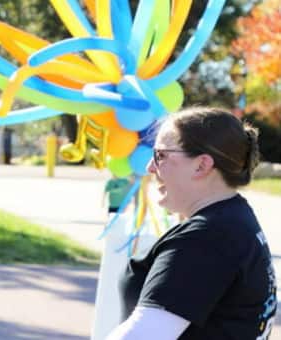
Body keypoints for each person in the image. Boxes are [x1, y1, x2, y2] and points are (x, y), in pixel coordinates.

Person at [108, 107, 276, 339]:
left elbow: (143, 335)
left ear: (201, 165)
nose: (150, 167)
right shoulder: (235, 218)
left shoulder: (208, 237)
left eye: (160, 155)